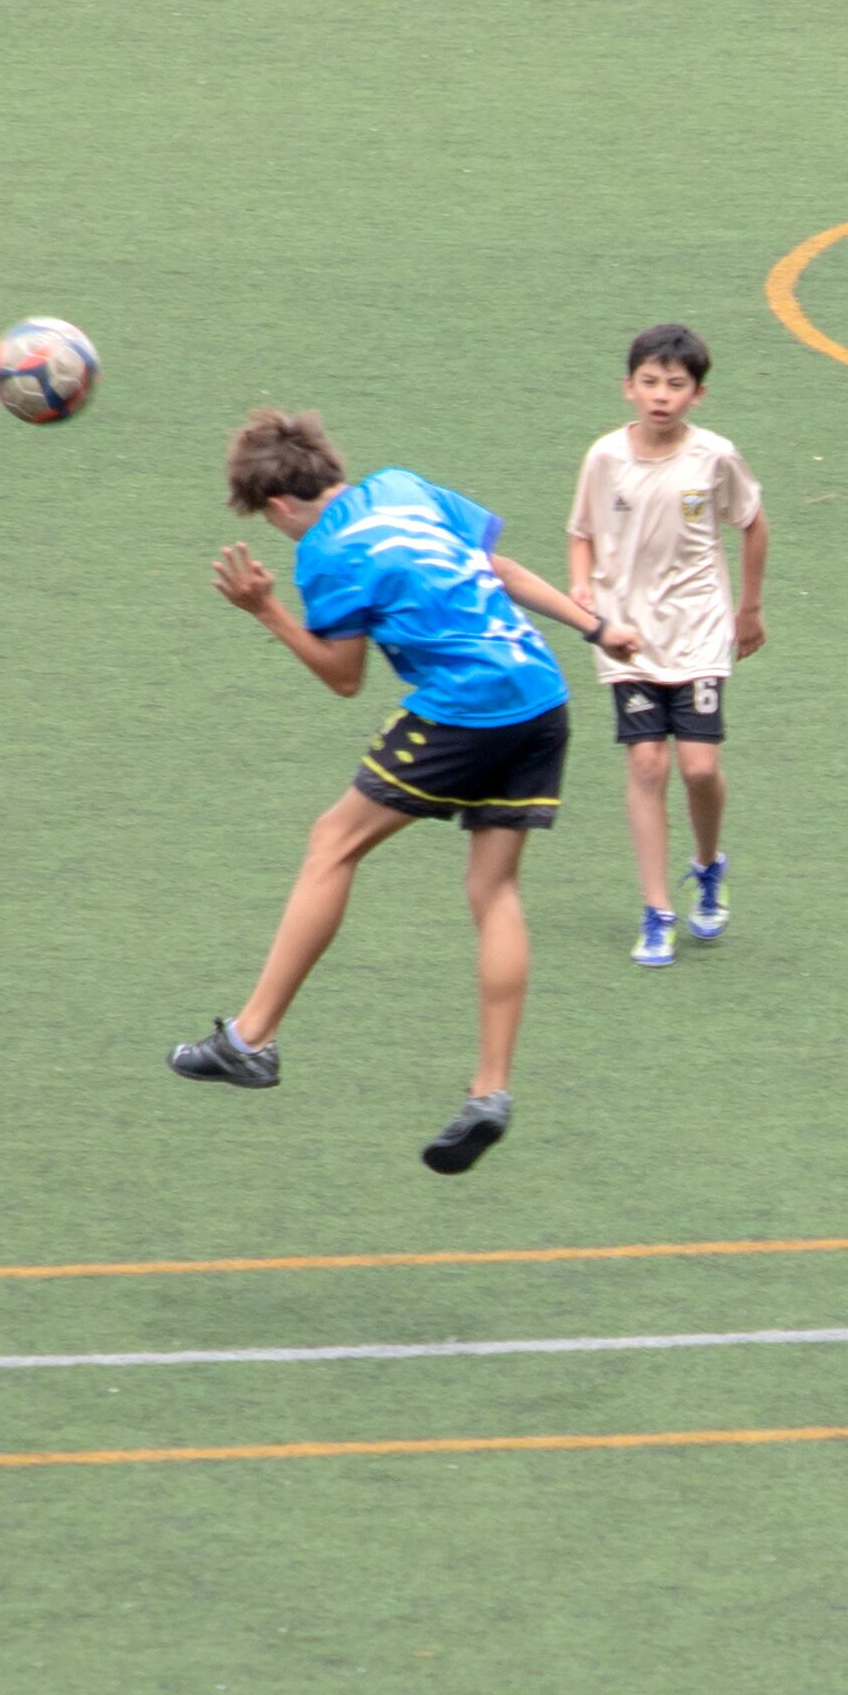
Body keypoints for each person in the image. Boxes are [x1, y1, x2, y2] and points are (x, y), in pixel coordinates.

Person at [170, 408, 644, 1173]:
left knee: (334, 841)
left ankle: (250, 1039)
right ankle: (490, 1090)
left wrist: (266, 610)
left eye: (268, 520)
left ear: (280, 504)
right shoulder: (404, 486)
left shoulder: (325, 553)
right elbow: (499, 567)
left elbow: (343, 677)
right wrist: (595, 627)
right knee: (494, 889)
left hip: (466, 709)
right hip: (540, 694)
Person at [562, 322, 769, 970]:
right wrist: (580, 586)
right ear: (628, 387)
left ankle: (707, 864)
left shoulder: (714, 457)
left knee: (699, 768)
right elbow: (581, 532)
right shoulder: (605, 458)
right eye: (649, 382)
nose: (661, 395)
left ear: (697, 394)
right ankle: (657, 911)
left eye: (675, 385)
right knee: (648, 765)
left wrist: (749, 608)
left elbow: (753, 524)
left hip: (699, 631)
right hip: (627, 638)